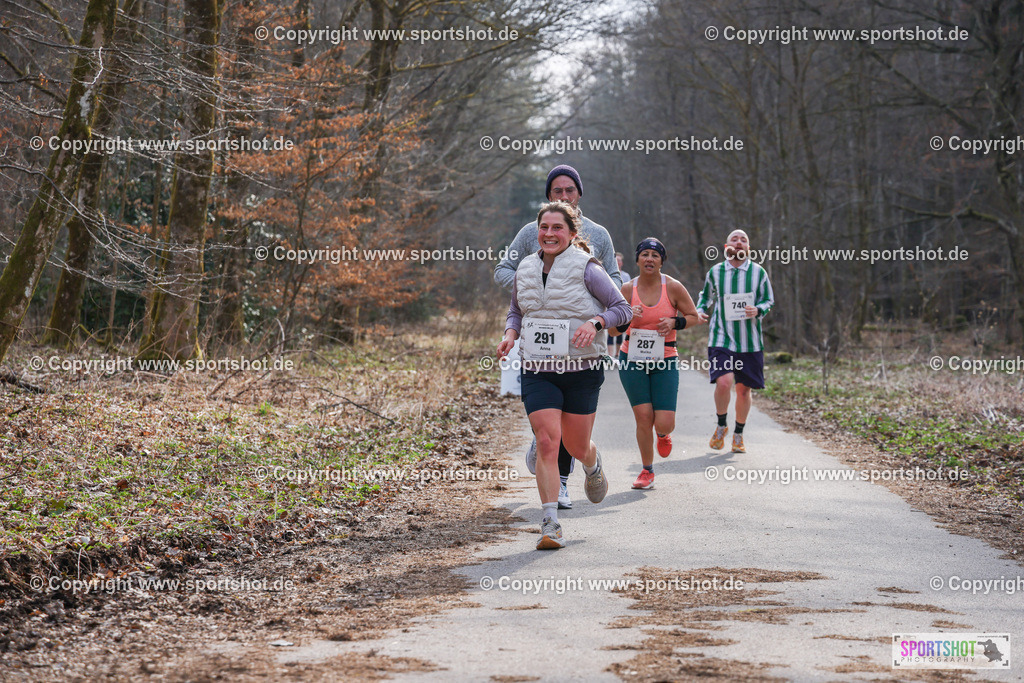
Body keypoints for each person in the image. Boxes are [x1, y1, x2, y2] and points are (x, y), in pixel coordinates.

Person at [496, 201, 631, 549]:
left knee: (575, 445)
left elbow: (622, 309)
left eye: (558, 228)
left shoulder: (588, 268)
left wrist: (595, 322)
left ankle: (591, 461)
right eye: (544, 227)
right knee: (546, 442)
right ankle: (550, 523)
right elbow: (516, 311)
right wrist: (510, 334)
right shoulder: (525, 267)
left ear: (572, 234)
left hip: (581, 370)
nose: (549, 234)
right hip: (538, 370)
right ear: (536, 231)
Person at [610, 238, 703, 490]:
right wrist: (628, 318)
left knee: (663, 421)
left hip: (665, 359)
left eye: (655, 255)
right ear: (637, 259)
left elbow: (694, 317)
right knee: (643, 417)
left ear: (662, 261)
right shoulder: (627, 290)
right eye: (645, 254)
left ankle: (663, 434)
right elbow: (612, 329)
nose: (649, 259)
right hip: (632, 359)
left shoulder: (673, 288)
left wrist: (675, 323)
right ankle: (646, 470)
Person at [695, 229, 775, 453]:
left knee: (743, 391)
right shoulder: (716, 272)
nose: (739, 243)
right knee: (724, 382)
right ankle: (721, 426)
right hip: (721, 337)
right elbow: (705, 297)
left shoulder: (758, 272)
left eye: (744, 240)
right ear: (726, 247)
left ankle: (738, 433)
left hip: (749, 341)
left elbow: (769, 300)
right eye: (734, 239)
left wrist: (758, 309)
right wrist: (700, 311)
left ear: (748, 248)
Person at [608, 252, 629, 356]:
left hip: (622, 305)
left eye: (619, 260)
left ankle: (617, 353)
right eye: (615, 260)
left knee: (620, 328)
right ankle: (610, 354)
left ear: (622, 263)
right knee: (610, 328)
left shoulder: (626, 276)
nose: (617, 262)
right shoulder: (607, 274)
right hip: (611, 304)